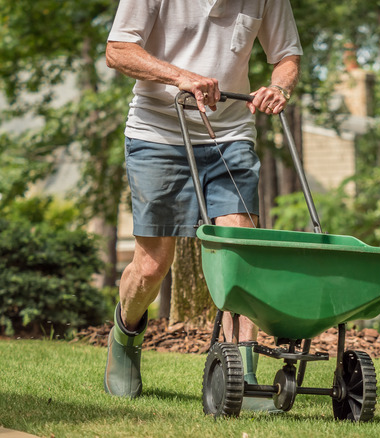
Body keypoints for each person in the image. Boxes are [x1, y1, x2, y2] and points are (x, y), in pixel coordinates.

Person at [103, 0, 302, 400]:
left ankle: (242, 374)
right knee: (152, 265)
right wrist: (181, 76)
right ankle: (125, 339)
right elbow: (118, 50)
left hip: (230, 136)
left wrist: (279, 86)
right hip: (156, 133)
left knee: (239, 256)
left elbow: (287, 56)